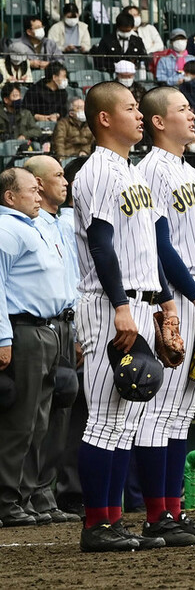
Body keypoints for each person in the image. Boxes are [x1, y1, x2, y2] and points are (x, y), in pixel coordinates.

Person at [73, 82, 177, 552]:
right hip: (108, 303)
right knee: (103, 420)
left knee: (125, 423)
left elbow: (150, 247)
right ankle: (97, 524)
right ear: (104, 119)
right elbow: (101, 243)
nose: (139, 115)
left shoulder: (132, 173)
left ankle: (113, 520)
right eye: (130, 108)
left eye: (140, 107)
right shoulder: (97, 171)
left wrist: (163, 301)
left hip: (139, 300)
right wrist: (120, 306)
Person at [133, 87, 195, 546]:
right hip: (170, 297)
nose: (192, 115)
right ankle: (156, 517)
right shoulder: (150, 169)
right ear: (156, 121)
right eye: (182, 109)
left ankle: (173, 512)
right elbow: (159, 244)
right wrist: (194, 297)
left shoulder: (189, 170)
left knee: (179, 413)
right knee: (160, 412)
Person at [0, 166, 72, 528]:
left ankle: (25, 497)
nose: (39, 195)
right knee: (20, 421)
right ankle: (6, 500)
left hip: (47, 329)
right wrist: (2, 337)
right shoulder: (7, 229)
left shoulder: (32, 226)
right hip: (23, 328)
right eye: (32, 190)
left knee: (39, 421)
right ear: (10, 196)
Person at [20, 156, 80, 525]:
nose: (65, 181)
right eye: (57, 175)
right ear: (38, 185)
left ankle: (44, 494)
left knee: (60, 416)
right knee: (32, 417)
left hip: (69, 324)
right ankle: (21, 496)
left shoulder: (67, 221)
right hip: (39, 324)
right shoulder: (26, 225)